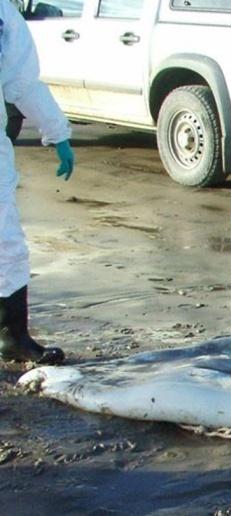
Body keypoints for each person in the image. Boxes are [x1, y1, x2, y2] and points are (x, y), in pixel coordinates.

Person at [0, 0, 75, 365]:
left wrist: (57, 132)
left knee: (6, 244)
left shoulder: (3, 16)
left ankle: (11, 336)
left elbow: (22, 82)